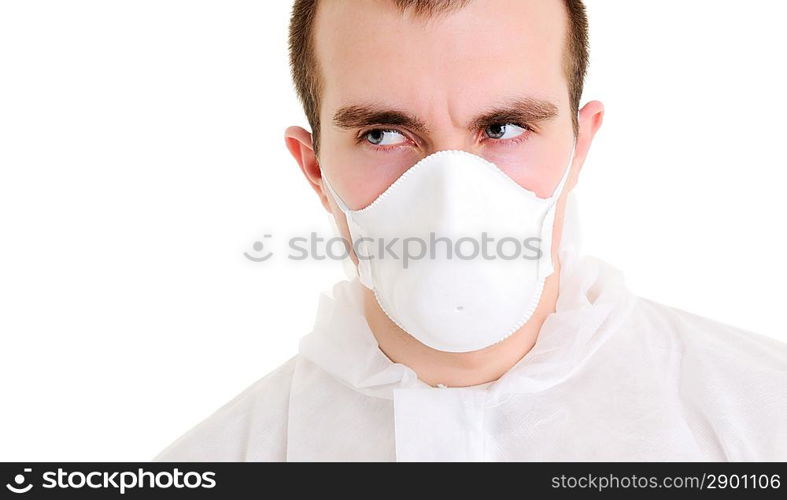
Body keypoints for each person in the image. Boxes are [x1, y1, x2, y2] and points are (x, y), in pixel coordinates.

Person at [154, 0, 787, 461]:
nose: (452, 199)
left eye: (505, 127)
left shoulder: (764, 418)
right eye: (383, 134)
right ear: (315, 168)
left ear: (580, 144)